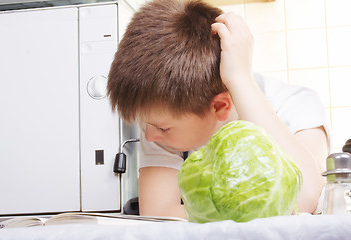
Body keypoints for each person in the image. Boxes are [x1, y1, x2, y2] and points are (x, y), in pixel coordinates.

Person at [107, 0, 329, 219]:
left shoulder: (296, 105)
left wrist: (240, 78)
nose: (149, 136)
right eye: (144, 124)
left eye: (163, 128)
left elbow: (304, 198)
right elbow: (158, 212)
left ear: (220, 106)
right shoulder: (160, 122)